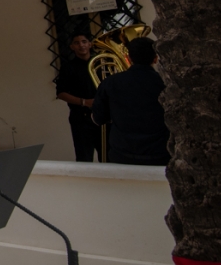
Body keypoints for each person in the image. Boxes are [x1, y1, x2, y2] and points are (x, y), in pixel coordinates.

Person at [91, 38, 169, 166]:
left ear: (128, 58)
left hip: (122, 154)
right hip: (161, 153)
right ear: (155, 58)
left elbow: (98, 119)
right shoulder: (166, 82)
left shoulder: (110, 82)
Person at [54, 31, 103, 162]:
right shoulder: (68, 67)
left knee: (108, 155)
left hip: (102, 116)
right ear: (72, 47)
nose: (81, 45)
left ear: (90, 44)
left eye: (84, 42)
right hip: (81, 118)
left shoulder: (100, 64)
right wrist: (84, 102)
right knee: (84, 157)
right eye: (77, 43)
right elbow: (61, 93)